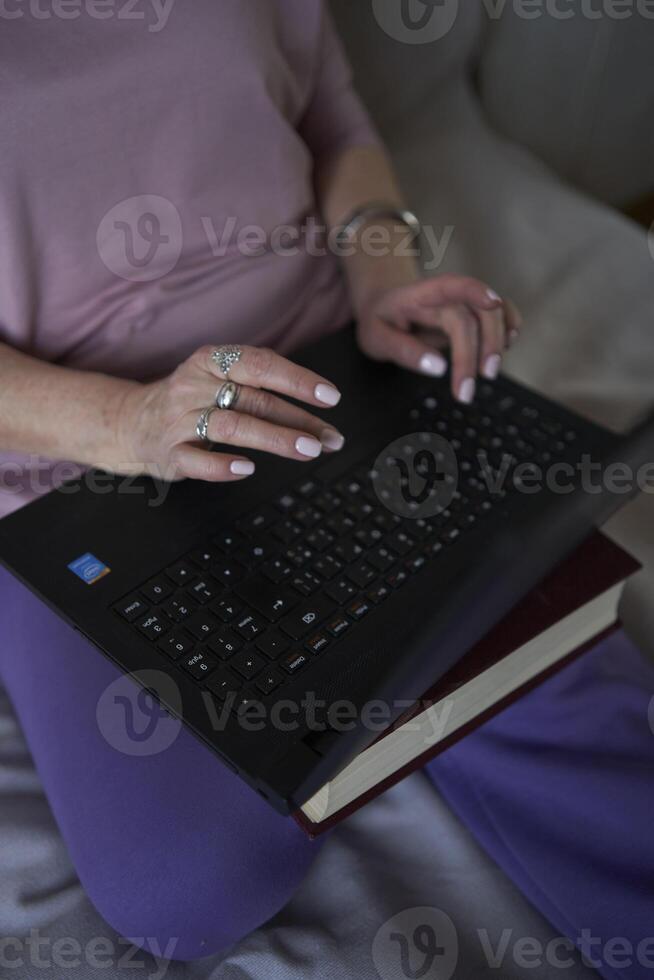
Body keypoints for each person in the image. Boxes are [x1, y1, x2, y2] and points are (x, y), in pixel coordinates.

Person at [2, 2, 651, 971]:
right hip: (70, 459)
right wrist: (129, 423)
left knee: (578, 721)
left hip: (325, 377)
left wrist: (381, 284)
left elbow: (334, 120)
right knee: (188, 889)